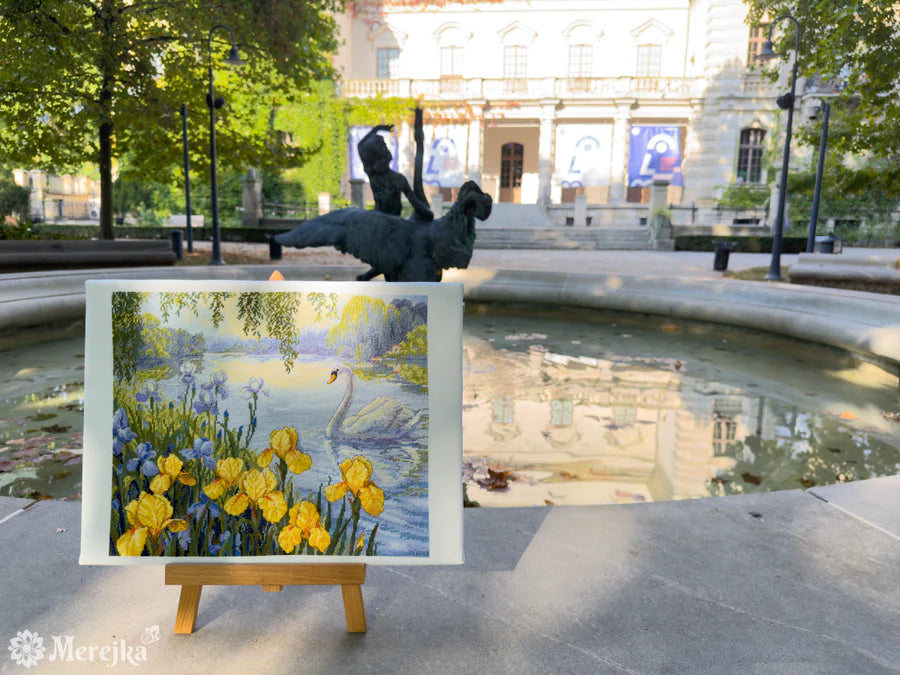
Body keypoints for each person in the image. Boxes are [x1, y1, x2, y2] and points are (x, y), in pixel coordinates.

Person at [356, 124, 434, 280]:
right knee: (397, 259)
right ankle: (367, 277)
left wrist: (377, 129)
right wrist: (427, 213)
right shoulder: (395, 179)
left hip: (382, 224)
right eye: (384, 147)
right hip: (390, 226)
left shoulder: (374, 175)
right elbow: (415, 202)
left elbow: (360, 145)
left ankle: (368, 277)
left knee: (393, 263)